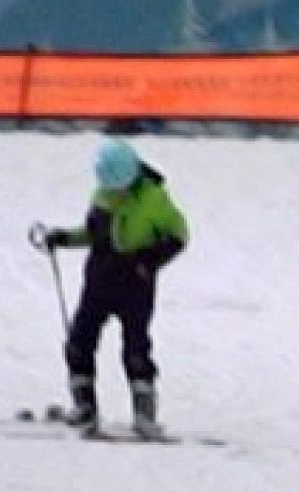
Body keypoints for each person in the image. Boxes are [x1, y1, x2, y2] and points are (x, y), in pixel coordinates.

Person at [34, 140, 188, 439]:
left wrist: (150, 260)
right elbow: (93, 233)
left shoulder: (155, 200)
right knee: (79, 341)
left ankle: (144, 414)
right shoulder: (101, 195)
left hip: (135, 285)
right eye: (109, 186)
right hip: (99, 281)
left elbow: (179, 234)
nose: (114, 192)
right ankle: (85, 406)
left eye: (119, 186)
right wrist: (63, 238)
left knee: (136, 348)